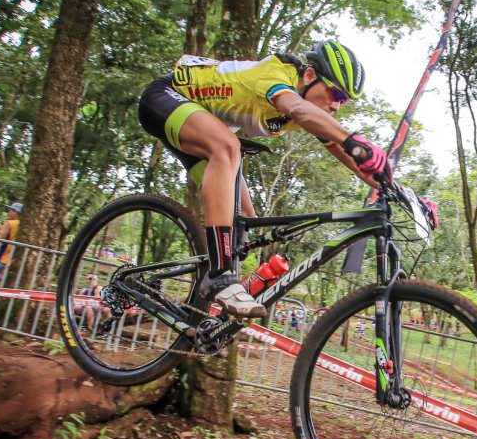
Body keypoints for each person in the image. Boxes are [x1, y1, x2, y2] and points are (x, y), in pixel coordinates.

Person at [138, 41, 399, 318]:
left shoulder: (308, 107)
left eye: (343, 100)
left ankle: (199, 316)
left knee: (244, 219)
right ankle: (220, 276)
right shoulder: (277, 75)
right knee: (228, 147)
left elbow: (354, 163)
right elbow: (299, 109)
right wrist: (353, 140)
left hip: (202, 124)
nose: (336, 105)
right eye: (335, 92)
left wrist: (401, 191)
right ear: (309, 76)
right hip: (166, 98)